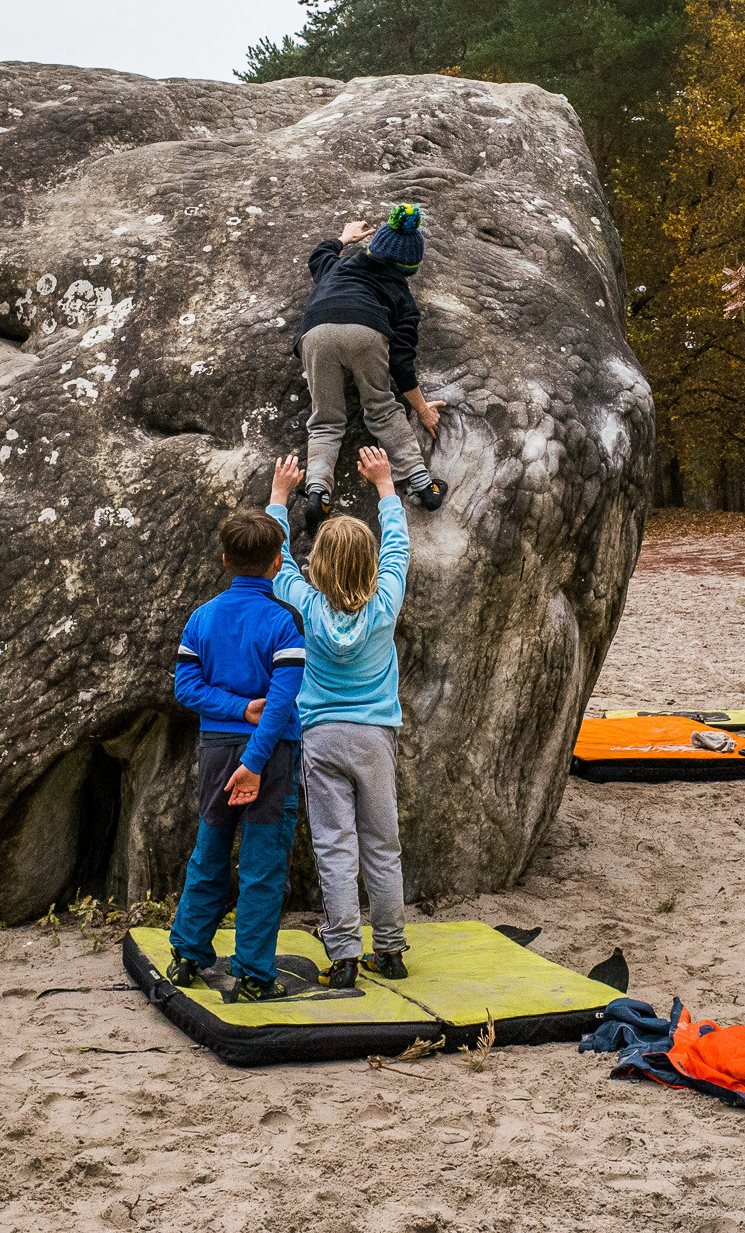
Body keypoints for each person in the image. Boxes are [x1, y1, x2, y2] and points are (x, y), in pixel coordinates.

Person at [267, 448, 409, 989]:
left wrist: (280, 497)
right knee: (382, 842)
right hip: (375, 737)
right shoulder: (384, 603)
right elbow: (398, 547)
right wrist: (386, 486)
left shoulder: (307, 603)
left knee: (334, 844)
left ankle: (345, 954)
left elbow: (276, 561)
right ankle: (391, 949)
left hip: (322, 736)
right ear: (371, 565)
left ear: (318, 565)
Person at [166, 507, 305, 1002]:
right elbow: (282, 702)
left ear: (224, 559)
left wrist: (233, 708)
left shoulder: (201, 618)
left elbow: (186, 686)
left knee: (209, 852)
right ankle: (251, 974)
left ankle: (186, 955)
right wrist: (255, 761)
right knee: (263, 865)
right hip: (270, 757)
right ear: (278, 562)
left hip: (216, 752)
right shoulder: (284, 621)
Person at [295, 202, 448, 532]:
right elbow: (401, 362)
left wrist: (343, 238)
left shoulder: (340, 268)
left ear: (374, 247)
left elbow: (319, 257)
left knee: (325, 420)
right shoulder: (402, 297)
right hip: (367, 331)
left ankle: (318, 492)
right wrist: (421, 409)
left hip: (316, 331)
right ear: (410, 268)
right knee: (381, 408)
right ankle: (424, 486)